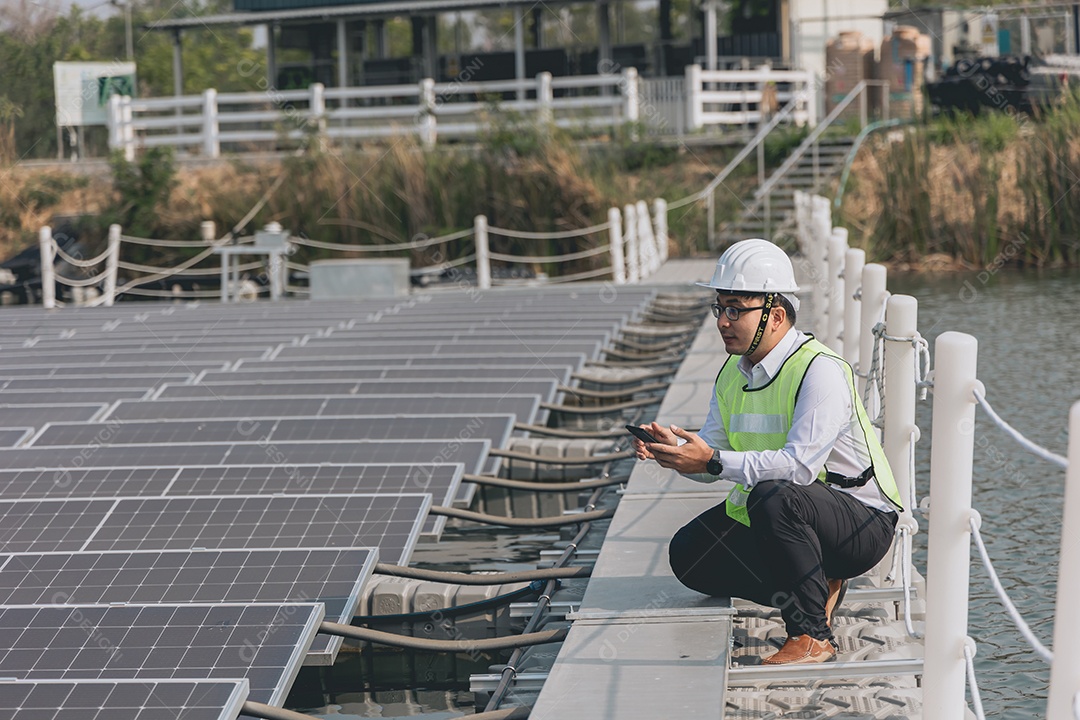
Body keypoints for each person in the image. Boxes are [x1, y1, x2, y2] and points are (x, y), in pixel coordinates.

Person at [631, 238, 903, 665]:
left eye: (735, 309)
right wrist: (679, 454)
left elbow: (798, 468)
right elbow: (712, 457)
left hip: (859, 523)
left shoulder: (820, 370)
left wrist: (714, 462)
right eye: (719, 308)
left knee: (773, 494)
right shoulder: (732, 372)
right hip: (791, 510)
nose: (722, 321)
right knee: (689, 556)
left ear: (776, 315)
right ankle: (819, 584)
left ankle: (812, 636)